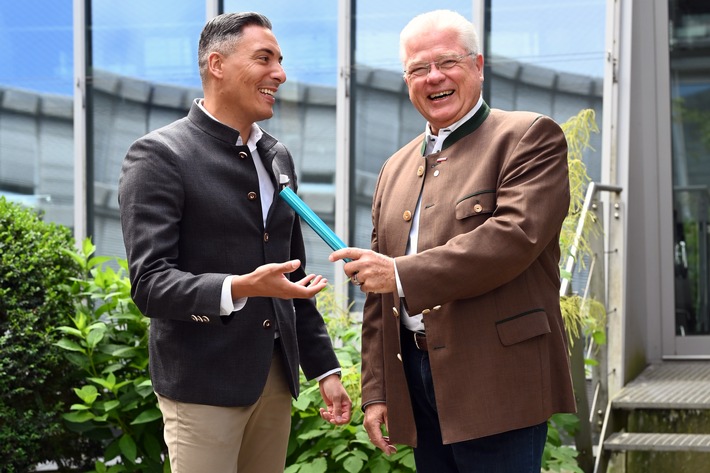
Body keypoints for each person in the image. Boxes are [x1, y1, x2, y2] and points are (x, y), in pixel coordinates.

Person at [329, 9, 576, 473]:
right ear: (406, 80)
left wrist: (399, 273)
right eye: (418, 68)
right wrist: (377, 392)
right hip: (418, 385)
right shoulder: (393, 169)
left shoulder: (528, 137)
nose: (433, 77)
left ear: (478, 66)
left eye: (447, 62)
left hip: (498, 379)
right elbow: (378, 298)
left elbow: (512, 239)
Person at [118, 12, 351, 473]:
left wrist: (325, 370)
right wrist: (241, 287)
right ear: (216, 64)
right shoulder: (159, 155)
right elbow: (150, 284)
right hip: (202, 387)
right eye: (264, 59)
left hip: (276, 382)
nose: (280, 74)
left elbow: (293, 274)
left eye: (280, 61)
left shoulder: (277, 155)